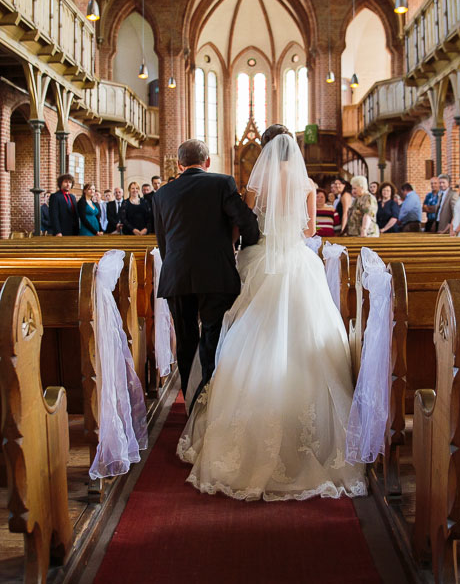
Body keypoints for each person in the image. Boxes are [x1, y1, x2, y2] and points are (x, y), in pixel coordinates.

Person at [175, 132, 366, 501]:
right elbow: (310, 229)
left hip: (261, 261)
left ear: (264, 149)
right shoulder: (306, 183)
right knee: (306, 338)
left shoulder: (255, 184)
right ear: (292, 147)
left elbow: (242, 227)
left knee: (247, 336)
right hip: (297, 262)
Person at [153, 138, 260, 408]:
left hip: (177, 274)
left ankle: (190, 401)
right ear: (208, 161)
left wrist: (174, 266)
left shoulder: (162, 194)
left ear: (179, 164)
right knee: (213, 335)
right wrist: (245, 248)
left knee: (186, 340)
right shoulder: (222, 183)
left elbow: (163, 240)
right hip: (216, 273)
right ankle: (210, 398)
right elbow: (246, 221)